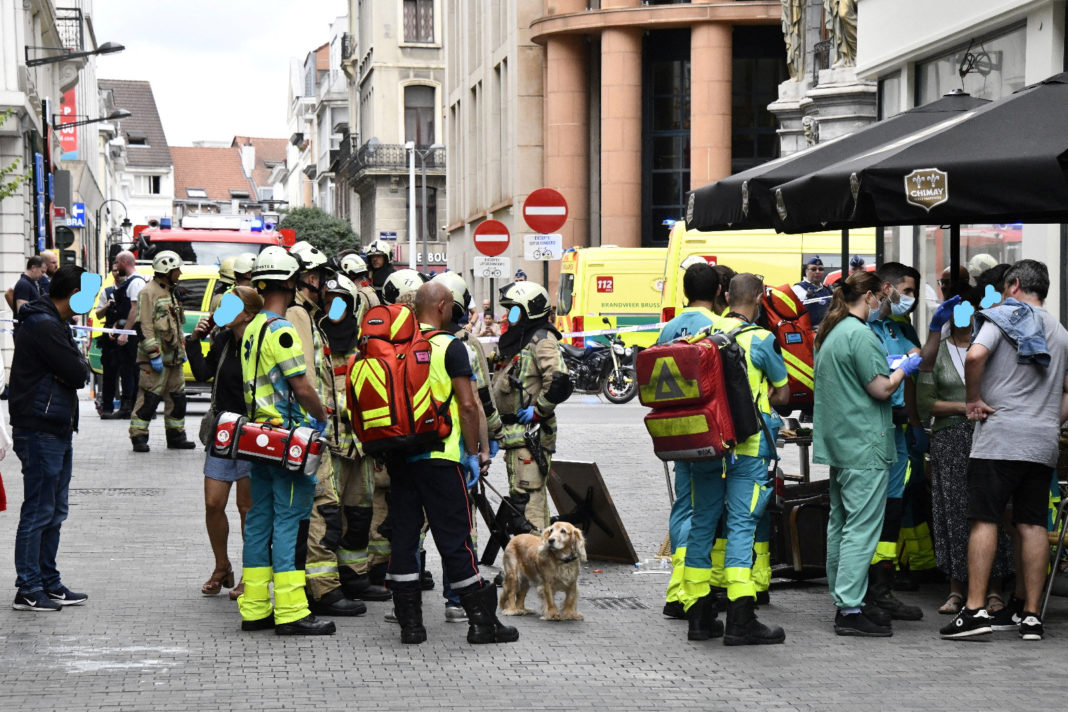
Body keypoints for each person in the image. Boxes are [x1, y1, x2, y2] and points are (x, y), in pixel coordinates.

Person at [384, 281, 517, 646]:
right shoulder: (449, 346)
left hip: (400, 456)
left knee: (405, 539)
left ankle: (411, 625)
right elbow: (469, 404)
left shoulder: (395, 345)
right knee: (456, 540)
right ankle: (481, 623)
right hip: (442, 458)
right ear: (441, 306)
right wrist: (474, 452)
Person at [941, 259, 1068, 641]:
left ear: (1012, 284)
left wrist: (973, 400)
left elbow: (976, 356)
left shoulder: (1001, 318)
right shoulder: (1060, 332)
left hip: (999, 438)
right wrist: (1046, 419)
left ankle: (975, 610)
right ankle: (1031, 615)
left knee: (986, 520)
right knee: (1032, 525)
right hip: (1041, 441)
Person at [813, 270, 921, 637]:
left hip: (841, 444)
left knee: (841, 525)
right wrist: (903, 369)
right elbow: (880, 389)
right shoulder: (860, 335)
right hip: (865, 445)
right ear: (872, 297)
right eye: (881, 298)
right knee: (861, 529)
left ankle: (845, 600)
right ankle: (850, 609)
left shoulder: (831, 333)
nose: (882, 305)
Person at [237, 245, 334, 635]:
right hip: (287, 440)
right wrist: (323, 414)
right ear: (291, 283)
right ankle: (292, 612)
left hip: (257, 438)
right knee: (291, 520)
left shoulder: (251, 327)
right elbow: (301, 386)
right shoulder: (281, 330)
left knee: (259, 519)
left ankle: (256, 608)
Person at [917, 286, 1014, 618]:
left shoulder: (989, 349)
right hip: (950, 441)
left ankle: (995, 587)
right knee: (955, 515)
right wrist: (968, 406)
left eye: (968, 309)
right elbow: (926, 404)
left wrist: (973, 411)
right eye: (956, 311)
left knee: (992, 512)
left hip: (990, 438)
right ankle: (957, 588)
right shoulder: (938, 352)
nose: (963, 316)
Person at [287, 241, 366, 618]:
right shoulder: (299, 316)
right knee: (323, 511)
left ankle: (324, 585)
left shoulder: (312, 318)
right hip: (313, 432)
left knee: (326, 511)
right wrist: (318, 419)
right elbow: (303, 378)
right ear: (310, 277)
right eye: (321, 279)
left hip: (328, 437)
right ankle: (323, 590)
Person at [9, 265, 91, 612]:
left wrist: (76, 364)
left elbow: (78, 370)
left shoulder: (53, 323)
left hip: (55, 424)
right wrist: (76, 364)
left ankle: (48, 581)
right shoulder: (43, 325)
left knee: (55, 510)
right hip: (39, 426)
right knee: (39, 510)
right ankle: (28, 587)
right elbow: (77, 372)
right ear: (73, 294)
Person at [657, 263, 725, 625]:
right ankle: (687, 591)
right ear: (717, 291)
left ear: (684, 292)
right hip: (707, 430)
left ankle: (676, 590)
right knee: (705, 512)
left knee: (683, 505)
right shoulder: (717, 327)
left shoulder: (668, 328)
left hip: (674, 429)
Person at [433, 271, 503, 621]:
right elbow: (476, 401)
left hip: (415, 448)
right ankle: (457, 599)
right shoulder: (463, 345)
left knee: (412, 527)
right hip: (456, 450)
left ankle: (407, 602)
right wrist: (484, 449)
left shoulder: (413, 341)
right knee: (461, 527)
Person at [318, 273, 389, 603]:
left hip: (361, 446)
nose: (335, 309)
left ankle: (355, 577)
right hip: (329, 446)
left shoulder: (365, 345)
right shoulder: (317, 342)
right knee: (329, 519)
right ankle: (325, 584)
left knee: (359, 515)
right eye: (329, 302)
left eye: (341, 303)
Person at [186, 286, 262, 599]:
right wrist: (194, 341)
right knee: (213, 503)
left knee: (247, 508)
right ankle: (222, 566)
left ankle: (250, 574)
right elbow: (203, 374)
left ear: (249, 313)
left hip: (254, 433)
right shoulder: (223, 340)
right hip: (222, 430)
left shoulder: (260, 342)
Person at [862, 262, 924, 621]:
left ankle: (883, 588)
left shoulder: (898, 326)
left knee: (893, 509)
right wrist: (899, 363)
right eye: (909, 290)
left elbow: (917, 371)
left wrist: (915, 422)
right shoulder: (861, 326)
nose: (911, 298)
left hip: (899, 430)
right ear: (887, 288)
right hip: (874, 428)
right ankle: (863, 590)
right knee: (869, 509)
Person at [491, 281, 570, 534]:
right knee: (524, 496)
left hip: (531, 434)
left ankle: (535, 562)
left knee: (529, 502)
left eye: (514, 310)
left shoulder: (543, 340)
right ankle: (538, 561)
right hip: (516, 436)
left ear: (529, 310)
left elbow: (559, 380)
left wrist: (538, 410)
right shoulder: (520, 339)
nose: (509, 316)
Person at [128, 251, 195, 452]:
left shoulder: (170, 291)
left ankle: (176, 436)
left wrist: (181, 351)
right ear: (167, 271)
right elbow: (144, 325)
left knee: (178, 398)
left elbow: (175, 324)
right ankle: (138, 437)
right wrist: (153, 354)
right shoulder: (148, 292)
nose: (180, 273)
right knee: (149, 399)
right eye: (177, 270)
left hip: (173, 358)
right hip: (155, 359)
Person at [106, 251, 145, 419]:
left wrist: (125, 333)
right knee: (126, 369)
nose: (116, 265)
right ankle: (127, 406)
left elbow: (135, 310)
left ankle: (129, 406)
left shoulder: (136, 283)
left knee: (130, 371)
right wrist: (118, 325)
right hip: (125, 329)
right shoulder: (130, 282)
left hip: (132, 334)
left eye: (117, 262)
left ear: (123, 262)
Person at [94, 263, 124, 417]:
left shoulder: (130, 289)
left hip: (126, 338)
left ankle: (126, 407)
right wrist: (106, 306)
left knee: (128, 374)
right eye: (114, 271)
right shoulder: (107, 292)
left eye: (119, 270)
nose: (117, 273)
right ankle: (107, 408)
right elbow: (98, 314)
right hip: (109, 340)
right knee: (109, 375)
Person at [792, 256, 833, 326]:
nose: (817, 272)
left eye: (820, 269)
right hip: (806, 333)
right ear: (806, 271)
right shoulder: (796, 290)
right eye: (813, 269)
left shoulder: (828, 291)